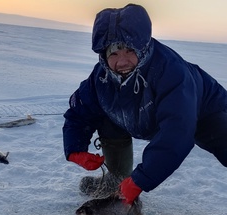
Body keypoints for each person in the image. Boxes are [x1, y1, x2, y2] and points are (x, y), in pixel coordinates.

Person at [63, 4, 227, 204]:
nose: (122, 61)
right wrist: (75, 150)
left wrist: (140, 181)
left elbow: (177, 132)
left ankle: (128, 185)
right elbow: (78, 114)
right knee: (105, 115)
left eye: (129, 50)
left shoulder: (171, 72)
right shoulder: (100, 78)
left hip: (204, 111)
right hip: (145, 117)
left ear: (142, 47)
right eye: (113, 53)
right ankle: (116, 182)